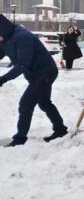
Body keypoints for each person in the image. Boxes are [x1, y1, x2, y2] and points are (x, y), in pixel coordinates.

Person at [0, 15, 68, 146]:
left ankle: (19, 139)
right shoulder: (5, 38)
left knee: (25, 104)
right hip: (35, 74)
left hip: (45, 72)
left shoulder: (22, 37)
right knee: (44, 102)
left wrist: (3, 79)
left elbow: (22, 65)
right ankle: (60, 130)